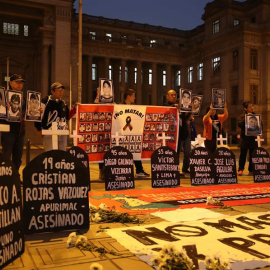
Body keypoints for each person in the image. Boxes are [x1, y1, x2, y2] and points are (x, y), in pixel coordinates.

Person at [34, 82, 77, 152]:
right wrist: (39, 129)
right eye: (59, 90)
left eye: (62, 91)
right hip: (49, 132)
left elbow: (67, 117)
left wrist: (74, 110)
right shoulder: (45, 101)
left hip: (62, 132)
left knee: (61, 154)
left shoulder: (63, 103)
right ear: (52, 91)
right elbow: (38, 115)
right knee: (50, 154)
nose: (61, 92)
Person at [1, 74, 25, 171]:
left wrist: (37, 111)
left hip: (20, 131)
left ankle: (15, 176)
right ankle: (5, 178)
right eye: (17, 82)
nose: (20, 85)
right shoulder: (4, 96)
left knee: (18, 157)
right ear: (10, 83)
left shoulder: (23, 97)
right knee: (6, 155)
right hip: (8, 130)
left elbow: (27, 112)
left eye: (21, 83)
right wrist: (4, 108)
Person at [124, 89, 150, 178]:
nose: (134, 98)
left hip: (133, 134)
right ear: (128, 96)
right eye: (133, 96)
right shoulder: (120, 106)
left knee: (136, 152)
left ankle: (139, 170)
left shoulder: (135, 107)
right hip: (123, 135)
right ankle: (125, 171)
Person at [238, 101, 261, 176]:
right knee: (243, 155)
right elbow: (240, 125)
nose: (252, 108)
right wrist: (247, 117)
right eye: (250, 106)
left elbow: (260, 126)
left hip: (253, 138)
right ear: (245, 108)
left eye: (252, 106)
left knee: (252, 155)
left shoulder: (256, 116)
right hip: (245, 138)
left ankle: (251, 170)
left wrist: (257, 133)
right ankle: (241, 169)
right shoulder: (242, 116)